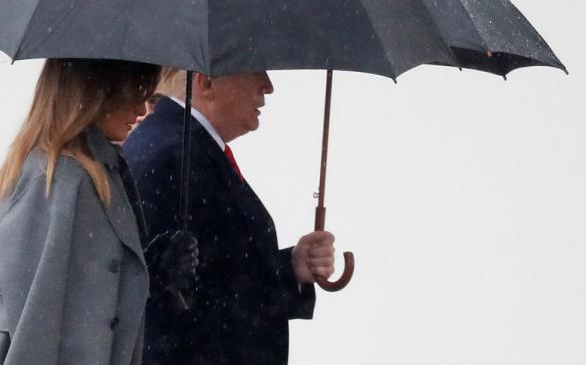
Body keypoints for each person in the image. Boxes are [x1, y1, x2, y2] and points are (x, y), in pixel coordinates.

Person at [123, 69, 336, 365]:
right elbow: (165, 299)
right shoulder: (172, 156)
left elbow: (217, 271)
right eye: (255, 70)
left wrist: (290, 268)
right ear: (206, 81)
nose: (268, 86)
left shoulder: (186, 146)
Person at [0, 59, 196, 365]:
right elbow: (30, 321)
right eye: (134, 93)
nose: (142, 110)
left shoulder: (100, 172)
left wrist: (149, 272)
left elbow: (91, 290)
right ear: (97, 93)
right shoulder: (57, 181)